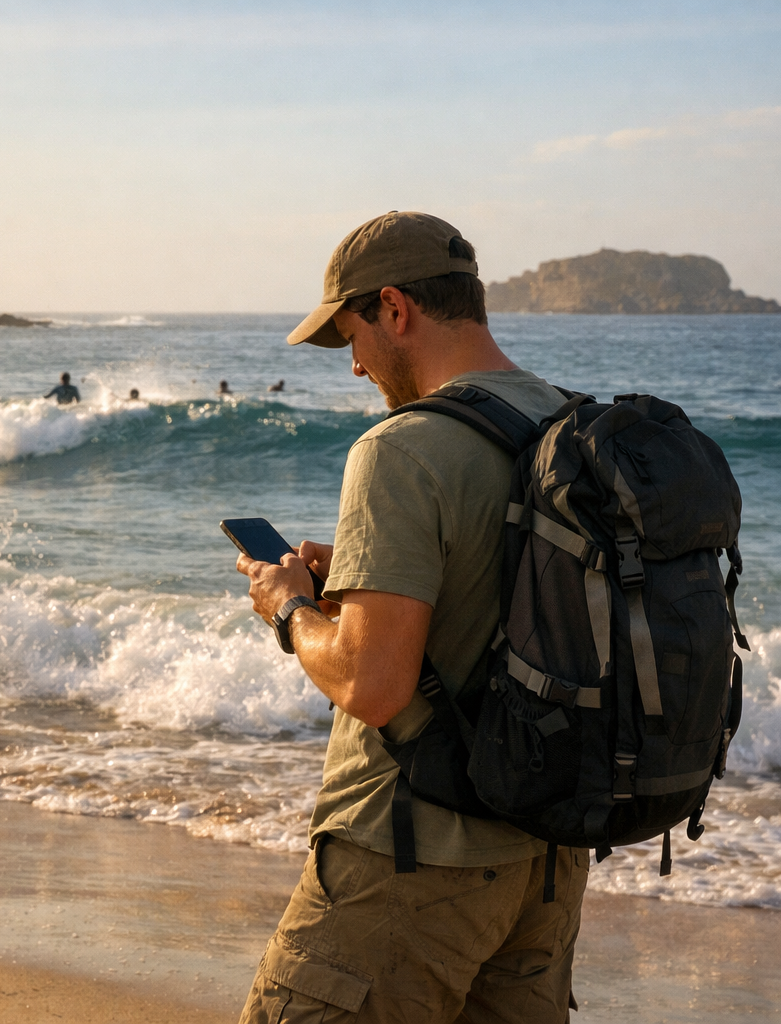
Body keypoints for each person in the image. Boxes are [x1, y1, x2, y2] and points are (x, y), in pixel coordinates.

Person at [234, 211, 588, 1024]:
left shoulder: (401, 449)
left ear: (394, 308)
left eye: (351, 336)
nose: (355, 367)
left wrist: (288, 607)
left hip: (408, 860)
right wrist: (360, 583)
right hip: (547, 868)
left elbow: (374, 681)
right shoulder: (568, 423)